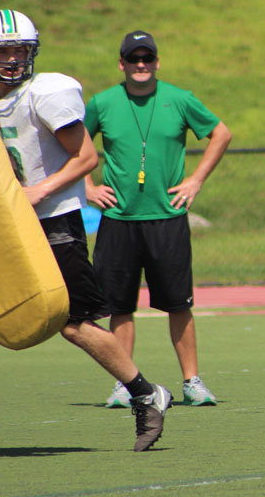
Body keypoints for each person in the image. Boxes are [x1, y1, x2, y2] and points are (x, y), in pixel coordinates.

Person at [0, 10, 172, 453]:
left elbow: (86, 158)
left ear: (33, 52)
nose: (11, 59)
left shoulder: (46, 92)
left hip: (51, 218)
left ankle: (146, 393)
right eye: (2, 50)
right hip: (0, 222)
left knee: (75, 324)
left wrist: (37, 192)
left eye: (19, 50)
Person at [83, 30, 232, 408]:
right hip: (118, 218)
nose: (141, 65)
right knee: (120, 306)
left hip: (167, 217)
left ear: (157, 62)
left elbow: (220, 133)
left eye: (147, 58)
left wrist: (196, 180)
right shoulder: (102, 103)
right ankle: (125, 383)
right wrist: (87, 186)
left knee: (178, 303)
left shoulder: (179, 99)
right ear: (122, 64)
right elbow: (73, 143)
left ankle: (192, 382)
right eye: (133, 59)